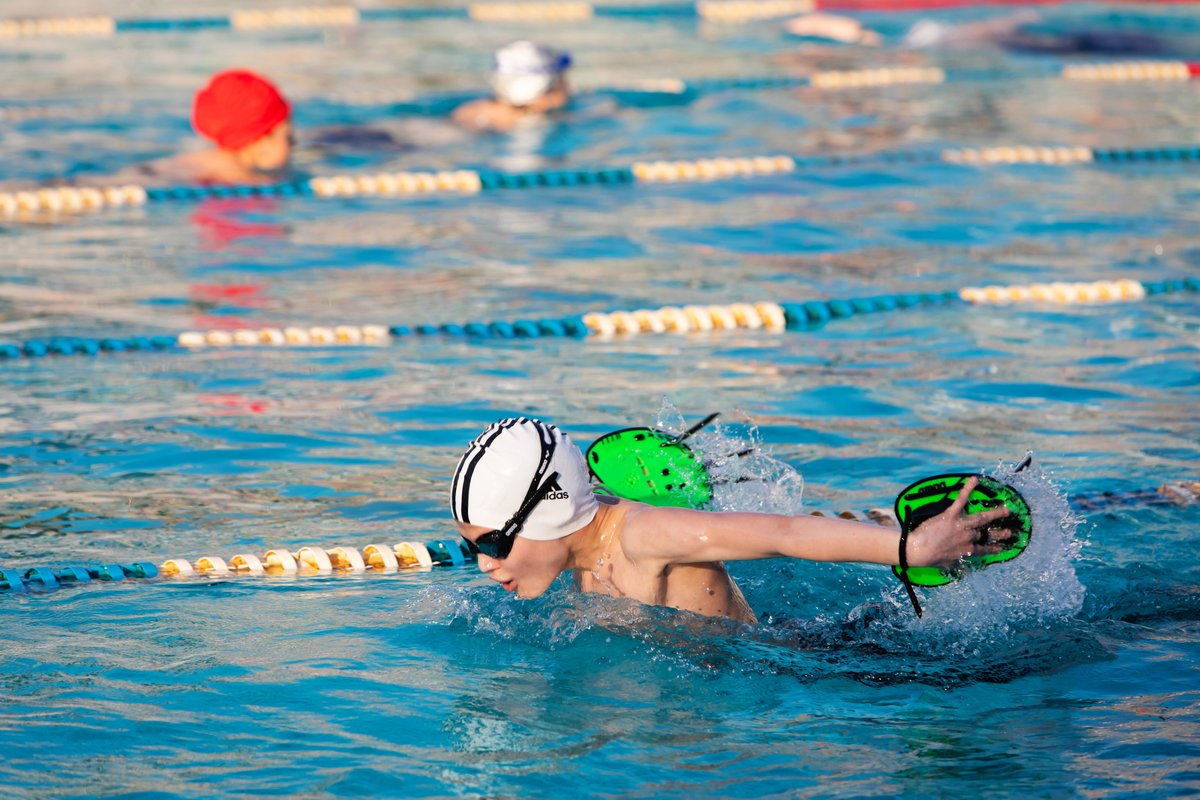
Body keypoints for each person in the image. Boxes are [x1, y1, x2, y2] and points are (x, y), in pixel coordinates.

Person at [451, 417, 1015, 625]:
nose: (485, 563)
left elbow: (784, 535)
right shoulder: (580, 551)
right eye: (473, 546)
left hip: (813, 666)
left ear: (549, 509)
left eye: (494, 542)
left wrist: (910, 550)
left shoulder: (645, 536)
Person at [122, 69, 294, 185]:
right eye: (288, 138)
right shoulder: (237, 174)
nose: (294, 144)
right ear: (262, 141)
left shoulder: (202, 159)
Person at [452, 41, 572, 133]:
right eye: (561, 80)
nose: (568, 87)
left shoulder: (466, 112)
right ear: (545, 95)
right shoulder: (534, 125)